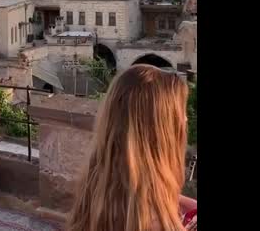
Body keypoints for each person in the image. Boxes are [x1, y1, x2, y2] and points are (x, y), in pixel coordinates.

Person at [67, 64, 197, 231]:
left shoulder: (99, 188)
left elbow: (143, 195)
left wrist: (179, 201)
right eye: (179, 114)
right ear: (159, 133)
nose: (185, 120)